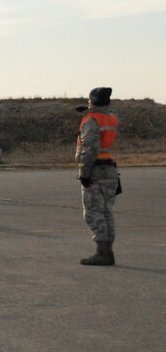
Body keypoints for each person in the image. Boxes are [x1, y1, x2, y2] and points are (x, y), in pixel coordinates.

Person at [76, 87, 120, 266]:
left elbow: (89, 149)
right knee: (107, 211)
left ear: (92, 101)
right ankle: (108, 251)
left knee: (93, 212)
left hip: (95, 170)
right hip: (109, 168)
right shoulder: (111, 118)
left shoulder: (91, 120)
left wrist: (83, 173)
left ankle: (102, 252)